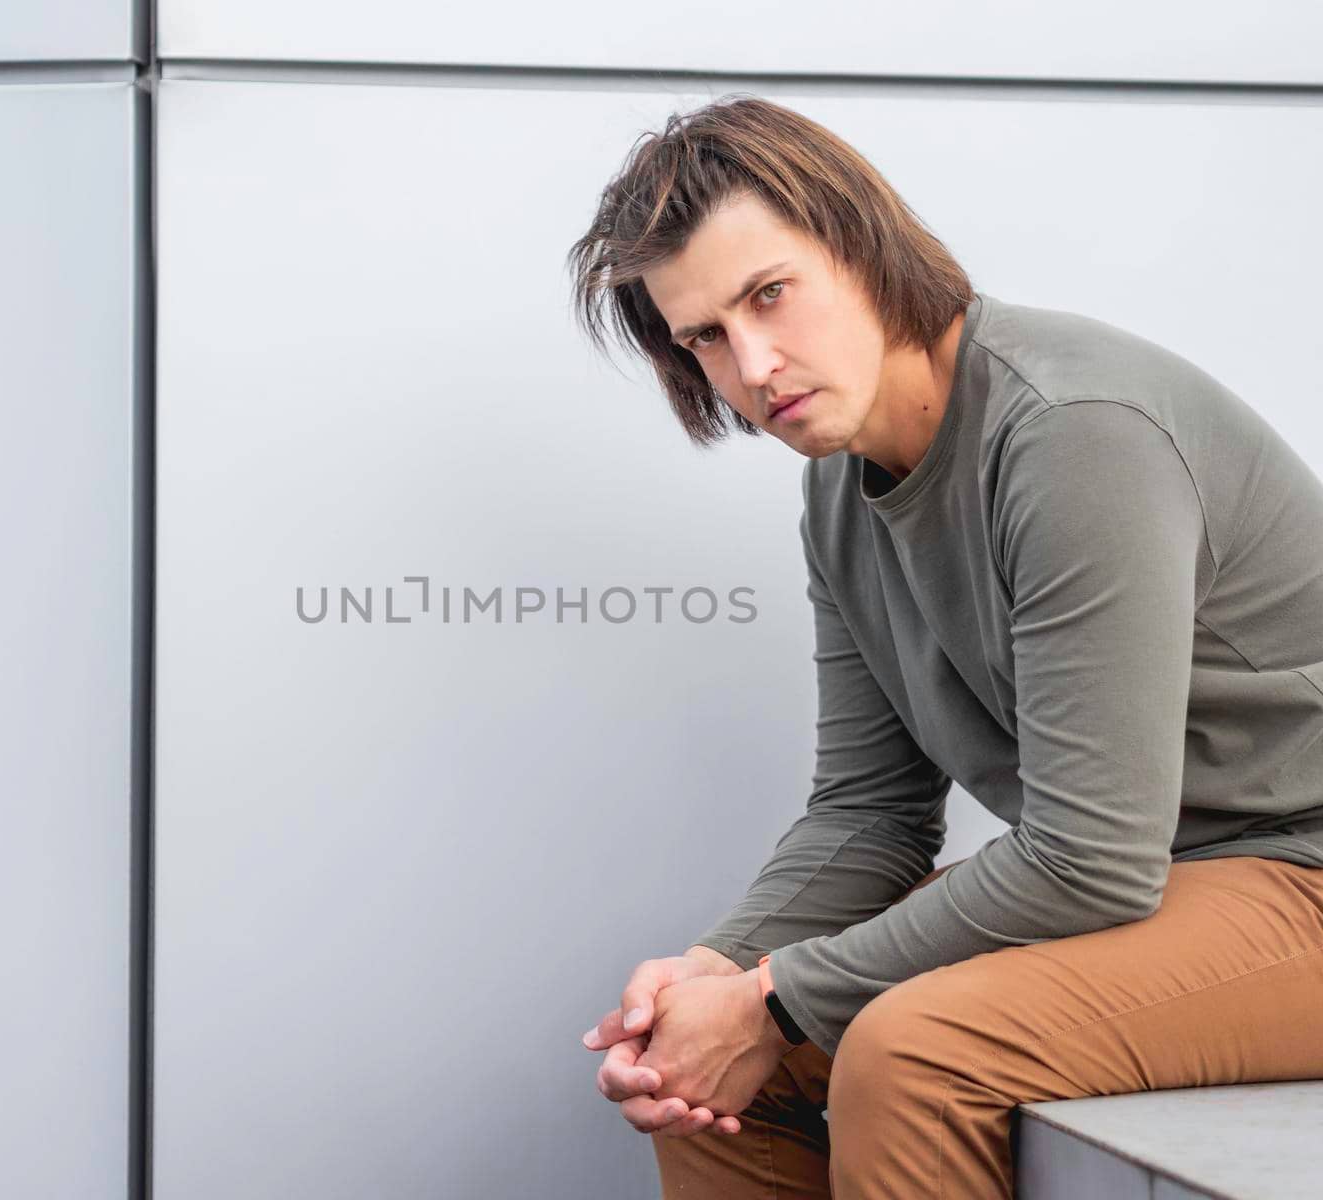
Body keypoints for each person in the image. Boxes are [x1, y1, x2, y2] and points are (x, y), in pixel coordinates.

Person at [564, 94, 1323, 1199]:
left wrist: (776, 995)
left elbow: (1086, 856)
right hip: (1173, 880)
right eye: (707, 338)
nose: (756, 361)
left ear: (862, 247)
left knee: (909, 1048)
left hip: (1297, 870)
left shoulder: (1072, 432)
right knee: (704, 1072)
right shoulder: (838, 489)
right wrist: (716, 974)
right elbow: (867, 812)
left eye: (769, 294)